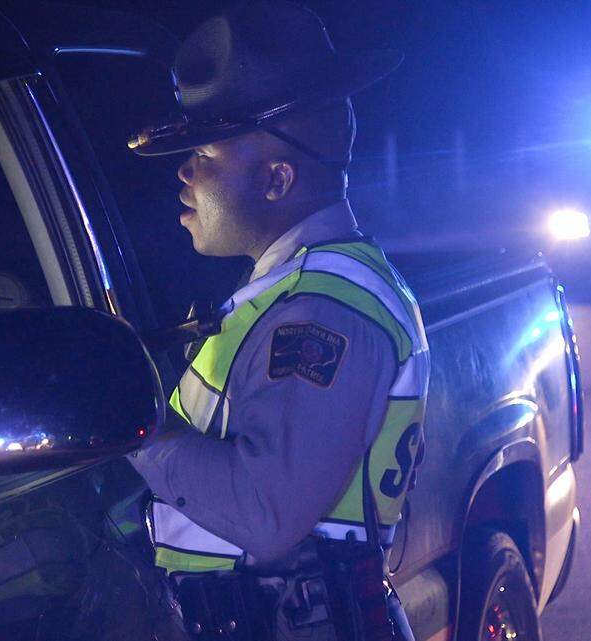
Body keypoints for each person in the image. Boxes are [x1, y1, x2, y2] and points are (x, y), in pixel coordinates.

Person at [125, 2, 430, 640]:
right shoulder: (296, 289)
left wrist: (137, 433)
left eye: (203, 156)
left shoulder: (321, 315)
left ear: (276, 179)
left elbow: (267, 510)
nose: (182, 174)